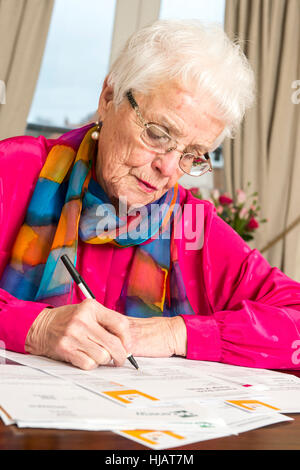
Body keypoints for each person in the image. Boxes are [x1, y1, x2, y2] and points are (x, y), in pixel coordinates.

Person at [0, 20, 300, 371]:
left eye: (193, 154)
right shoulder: (14, 170)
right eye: (158, 134)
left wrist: (177, 334)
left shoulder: (194, 224)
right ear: (108, 97)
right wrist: (35, 326)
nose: (170, 169)